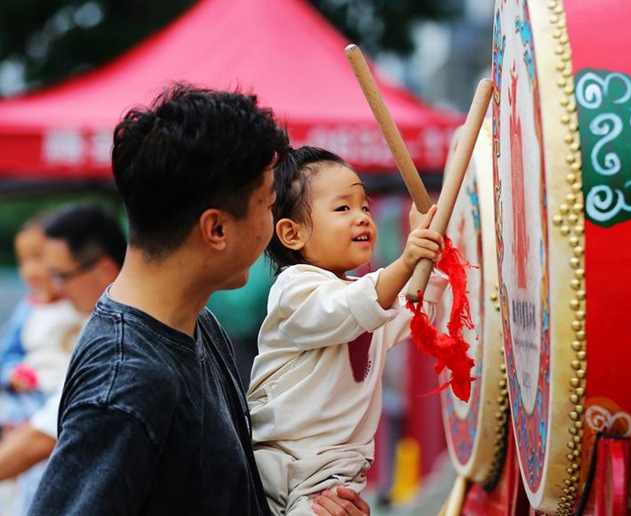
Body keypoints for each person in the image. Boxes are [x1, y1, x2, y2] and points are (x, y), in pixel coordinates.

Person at [29, 85, 370, 516]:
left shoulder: (197, 323)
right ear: (216, 229)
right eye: (267, 205)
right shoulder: (127, 379)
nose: (272, 227)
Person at [247, 146, 447, 515]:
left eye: (365, 207)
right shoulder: (295, 288)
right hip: (289, 465)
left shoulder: (364, 295)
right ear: (292, 234)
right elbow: (348, 308)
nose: (362, 219)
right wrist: (405, 261)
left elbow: (411, 310)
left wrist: (425, 263)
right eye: (343, 208)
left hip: (337, 472)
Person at [0, 203, 125, 514]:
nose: (54, 287)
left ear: (103, 270)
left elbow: (46, 435)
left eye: (62, 275)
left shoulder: (115, 336)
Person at [0, 215, 84, 432]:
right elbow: (9, 355)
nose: (29, 270)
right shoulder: (28, 310)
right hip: (29, 405)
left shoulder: (81, 303)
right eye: (23, 261)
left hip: (68, 405)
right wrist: (13, 375)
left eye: (38, 258)